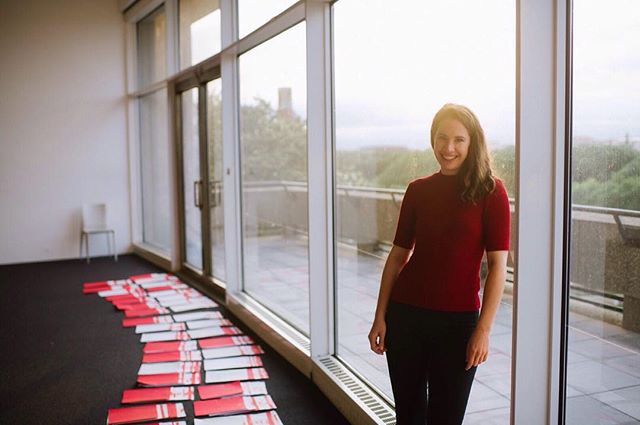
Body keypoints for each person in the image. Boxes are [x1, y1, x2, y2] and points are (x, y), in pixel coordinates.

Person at [367, 103, 510, 425]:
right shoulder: (418, 190)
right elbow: (397, 257)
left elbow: (498, 268)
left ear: (473, 143)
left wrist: (483, 331)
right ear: (432, 140)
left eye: (459, 140)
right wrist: (380, 317)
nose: (448, 148)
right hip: (406, 317)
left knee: (447, 418)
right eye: (442, 138)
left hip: (458, 326)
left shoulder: (491, 192)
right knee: (409, 416)